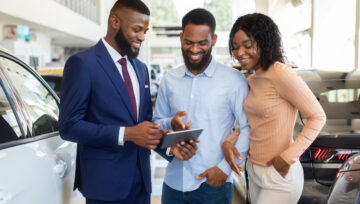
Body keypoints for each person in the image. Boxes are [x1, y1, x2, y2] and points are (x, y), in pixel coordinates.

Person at [59, 1, 197, 203]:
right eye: (137, 29)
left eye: (145, 31)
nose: (142, 37)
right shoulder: (82, 64)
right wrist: (128, 134)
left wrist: (169, 146)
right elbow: (69, 127)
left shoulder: (141, 69)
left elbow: (144, 127)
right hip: (104, 186)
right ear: (115, 21)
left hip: (141, 184)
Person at [223, 13, 326, 204]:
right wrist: (229, 141)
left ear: (264, 42)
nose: (240, 52)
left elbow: (318, 116)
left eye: (247, 45)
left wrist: (288, 156)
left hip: (280, 175)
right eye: (235, 47)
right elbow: (253, 123)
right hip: (253, 171)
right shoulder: (252, 80)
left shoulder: (281, 74)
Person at [153, 8, 250, 204]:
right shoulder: (169, 79)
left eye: (202, 43)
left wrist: (224, 170)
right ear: (181, 38)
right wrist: (171, 124)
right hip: (173, 184)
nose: (195, 49)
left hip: (213, 184)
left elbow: (247, 127)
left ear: (213, 40)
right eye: (189, 42)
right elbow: (156, 124)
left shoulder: (233, 80)